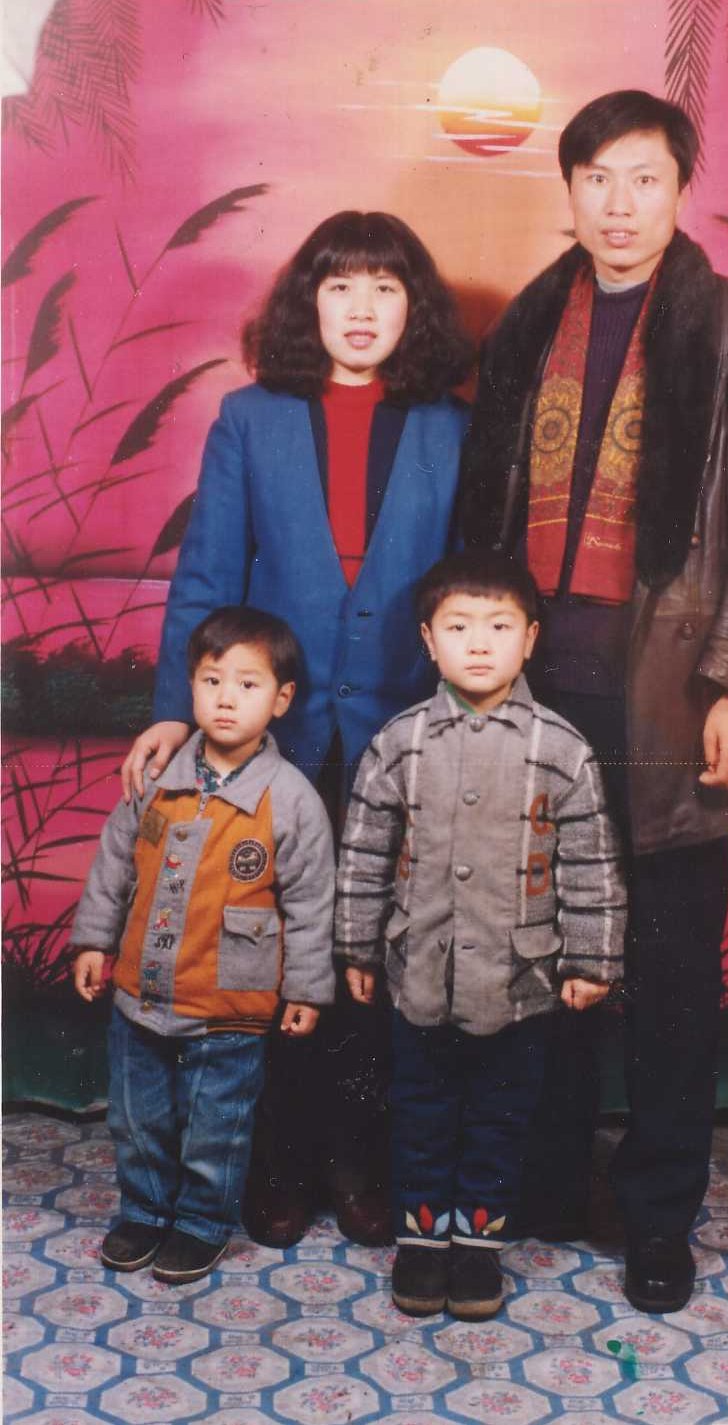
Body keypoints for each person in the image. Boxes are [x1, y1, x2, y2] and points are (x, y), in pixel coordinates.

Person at [461, 90, 728, 1313]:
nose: (618, 205)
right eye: (596, 179)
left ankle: (659, 1214)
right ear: (567, 190)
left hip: (668, 705)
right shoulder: (528, 326)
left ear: (678, 191)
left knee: (668, 980)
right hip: (535, 692)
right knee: (539, 956)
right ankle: (550, 1182)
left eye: (644, 179)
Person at [119, 211, 472, 1249]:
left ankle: (357, 1159)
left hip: (402, 728)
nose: (361, 309)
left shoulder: (451, 427)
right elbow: (207, 575)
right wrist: (173, 715)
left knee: (373, 951)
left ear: (413, 308)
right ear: (306, 303)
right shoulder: (250, 418)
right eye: (339, 286)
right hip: (275, 735)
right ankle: (274, 1157)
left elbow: (471, 589)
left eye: (384, 288)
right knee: (263, 940)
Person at [335, 550, 626, 1320]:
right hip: (419, 974)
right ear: (428, 640)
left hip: (519, 982)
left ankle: (477, 1245)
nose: (478, 643)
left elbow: (591, 862)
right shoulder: (399, 742)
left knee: (500, 1119)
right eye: (458, 626)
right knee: (421, 1112)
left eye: (499, 627)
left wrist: (592, 957)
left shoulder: (561, 748)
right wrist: (357, 946)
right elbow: (364, 852)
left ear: (529, 639)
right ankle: (422, 1241)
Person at [71, 607, 335, 1284]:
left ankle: (200, 1222)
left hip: (230, 1006)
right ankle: (143, 1210)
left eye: (248, 684)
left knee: (217, 1125)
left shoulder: (291, 799)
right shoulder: (157, 776)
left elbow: (311, 903)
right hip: (141, 992)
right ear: (190, 685)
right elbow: (113, 863)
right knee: (139, 1119)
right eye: (212, 680)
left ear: (281, 699)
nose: (225, 698)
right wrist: (94, 940)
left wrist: (307, 989)